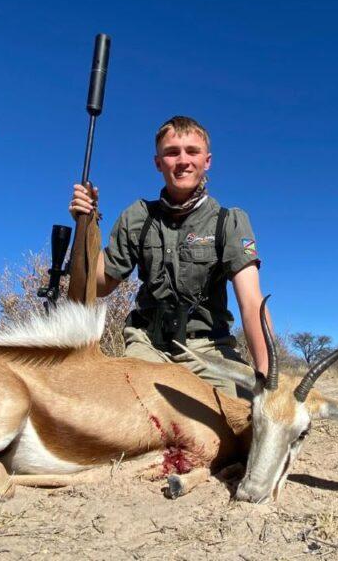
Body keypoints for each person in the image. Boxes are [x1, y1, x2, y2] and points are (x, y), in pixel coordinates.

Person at [69, 116, 268, 397]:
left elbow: (251, 302)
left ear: (207, 161)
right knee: (126, 414)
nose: (183, 160)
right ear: (158, 163)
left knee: (246, 420)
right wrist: (86, 228)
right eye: (172, 152)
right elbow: (99, 285)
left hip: (208, 348)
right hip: (148, 345)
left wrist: (268, 378)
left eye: (192, 151)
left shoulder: (230, 221)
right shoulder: (138, 216)